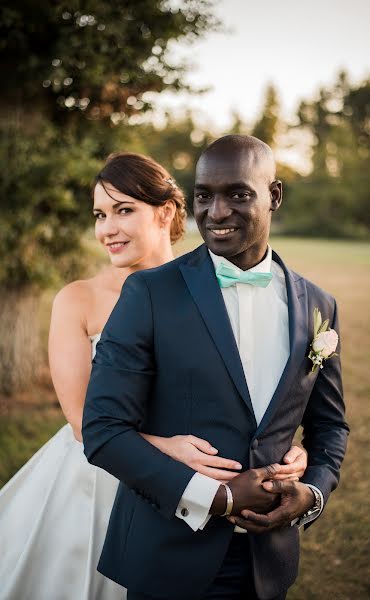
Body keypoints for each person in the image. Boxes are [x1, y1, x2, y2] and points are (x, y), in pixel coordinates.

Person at [0, 152, 306, 600]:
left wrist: (279, 442)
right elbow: (82, 421)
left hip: (203, 490)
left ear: (165, 212)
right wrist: (163, 446)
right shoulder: (78, 299)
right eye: (100, 215)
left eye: (124, 210)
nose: (107, 229)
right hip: (96, 480)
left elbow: (242, 383)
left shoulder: (214, 284)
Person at [83, 135, 349, 600]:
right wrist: (218, 496)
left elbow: (330, 428)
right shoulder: (149, 294)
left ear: (275, 196)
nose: (217, 212)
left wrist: (311, 494)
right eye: (205, 195)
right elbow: (104, 430)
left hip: (267, 564)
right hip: (169, 556)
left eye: (238, 194)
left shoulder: (317, 307)